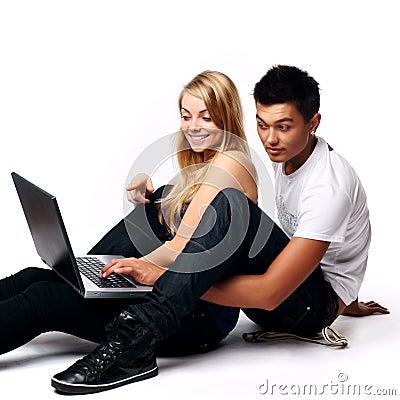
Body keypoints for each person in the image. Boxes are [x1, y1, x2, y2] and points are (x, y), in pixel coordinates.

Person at [51, 65, 389, 394]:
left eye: (283, 127)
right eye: (262, 124)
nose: (270, 139)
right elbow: (338, 248)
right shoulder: (292, 157)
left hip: (308, 309)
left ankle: (135, 343)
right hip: (304, 290)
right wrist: (352, 296)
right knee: (172, 198)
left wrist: (160, 276)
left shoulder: (329, 185)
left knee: (232, 205)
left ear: (313, 123)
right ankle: (83, 280)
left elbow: (271, 294)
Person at [0, 71, 257, 367]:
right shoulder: (204, 160)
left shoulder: (232, 162)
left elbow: (179, 248)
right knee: (34, 277)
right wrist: (146, 193)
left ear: (227, 117)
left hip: (198, 314)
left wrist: (133, 268)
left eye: (206, 117)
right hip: (175, 293)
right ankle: (86, 280)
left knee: (47, 300)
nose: (193, 126)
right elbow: (176, 212)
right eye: (186, 117)